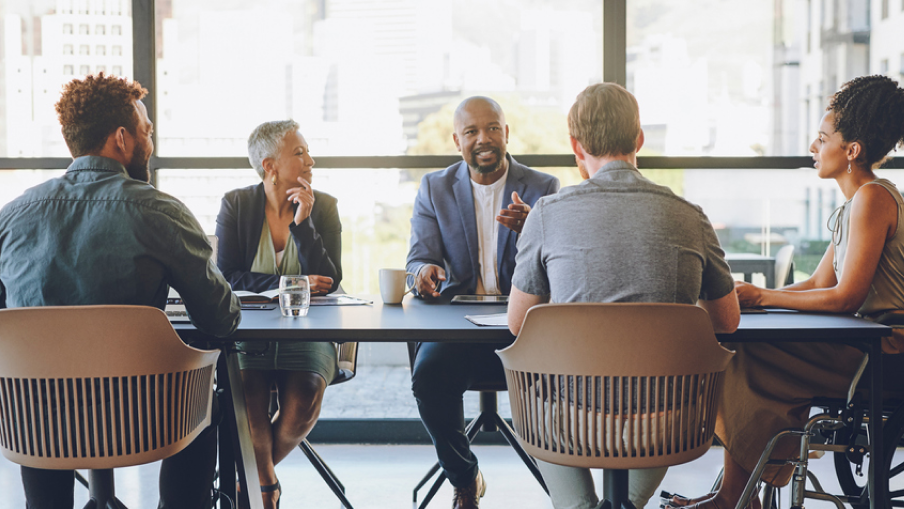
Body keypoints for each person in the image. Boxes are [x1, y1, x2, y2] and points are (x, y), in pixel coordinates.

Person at [0, 73, 241, 509]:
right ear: (122, 138)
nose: (151, 143)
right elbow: (221, 319)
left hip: (37, 426)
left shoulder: (12, 217)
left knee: (36, 399)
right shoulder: (159, 210)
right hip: (143, 421)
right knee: (206, 397)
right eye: (147, 133)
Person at [667, 75, 904, 509]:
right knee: (745, 349)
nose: (813, 147)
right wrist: (757, 298)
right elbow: (818, 284)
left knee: (746, 356)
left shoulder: (873, 198)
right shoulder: (855, 203)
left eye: (821, 138)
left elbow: (846, 297)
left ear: (852, 151)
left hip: (887, 352)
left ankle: (736, 496)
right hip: (867, 346)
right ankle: (740, 493)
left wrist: (764, 298)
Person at [506, 82, 741, 509]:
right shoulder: (691, 217)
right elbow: (727, 321)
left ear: (576, 147)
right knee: (674, 385)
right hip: (670, 424)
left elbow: (519, 323)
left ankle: (580, 506)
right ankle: (629, 503)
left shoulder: (546, 215)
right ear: (639, 139)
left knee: (533, 384)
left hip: (570, 424)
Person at [406, 96, 560, 509]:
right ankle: (464, 477)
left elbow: (560, 265)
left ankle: (566, 485)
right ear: (457, 140)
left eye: (492, 128)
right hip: (460, 326)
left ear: (507, 134)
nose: (484, 139)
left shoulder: (543, 188)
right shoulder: (435, 188)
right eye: (472, 131)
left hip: (523, 328)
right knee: (428, 377)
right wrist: (423, 274)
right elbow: (417, 259)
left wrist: (534, 229)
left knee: (564, 377)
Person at [215, 119, 342, 508]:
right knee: (248, 401)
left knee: (303, 397)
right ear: (269, 166)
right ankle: (266, 488)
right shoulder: (236, 204)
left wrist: (303, 226)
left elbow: (331, 279)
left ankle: (249, 477)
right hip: (248, 332)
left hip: (306, 331)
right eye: (299, 153)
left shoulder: (325, 207)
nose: (310, 160)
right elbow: (226, 274)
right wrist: (285, 284)